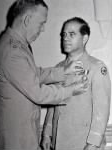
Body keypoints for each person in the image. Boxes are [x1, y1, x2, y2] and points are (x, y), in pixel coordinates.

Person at [0, 1, 89, 150]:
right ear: (27, 20)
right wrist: (71, 91)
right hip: (15, 138)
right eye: (41, 23)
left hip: (20, 133)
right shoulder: (13, 51)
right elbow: (38, 93)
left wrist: (63, 71)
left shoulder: (16, 45)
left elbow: (33, 74)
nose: (42, 29)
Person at [41, 17, 111, 150]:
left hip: (82, 142)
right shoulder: (58, 69)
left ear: (85, 39)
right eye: (64, 34)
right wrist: (47, 133)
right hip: (58, 141)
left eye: (72, 34)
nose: (65, 38)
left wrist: (93, 143)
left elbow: (102, 111)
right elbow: (52, 106)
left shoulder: (96, 68)